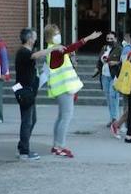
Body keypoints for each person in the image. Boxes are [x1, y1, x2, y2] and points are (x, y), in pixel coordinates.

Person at [41, 23, 101, 157]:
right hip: (64, 88)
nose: (58, 35)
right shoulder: (55, 49)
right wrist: (89, 38)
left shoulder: (52, 49)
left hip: (61, 88)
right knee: (65, 118)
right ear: (50, 37)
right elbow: (72, 47)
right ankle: (59, 146)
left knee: (61, 117)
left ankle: (56, 145)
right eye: (56, 34)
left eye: (58, 33)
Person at [14, 28, 45, 160]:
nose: (35, 39)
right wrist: (51, 49)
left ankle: (22, 146)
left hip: (29, 91)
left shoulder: (27, 51)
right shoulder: (23, 51)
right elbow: (34, 56)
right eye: (34, 37)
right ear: (29, 39)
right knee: (27, 121)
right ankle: (24, 152)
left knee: (32, 120)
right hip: (25, 92)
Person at [97, 32, 121, 132]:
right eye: (108, 38)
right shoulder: (104, 48)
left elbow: (124, 61)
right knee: (108, 97)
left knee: (113, 95)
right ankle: (112, 118)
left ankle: (115, 119)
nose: (109, 40)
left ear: (115, 39)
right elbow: (99, 60)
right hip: (104, 75)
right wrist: (97, 68)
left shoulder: (119, 48)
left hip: (114, 75)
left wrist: (116, 62)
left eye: (111, 38)